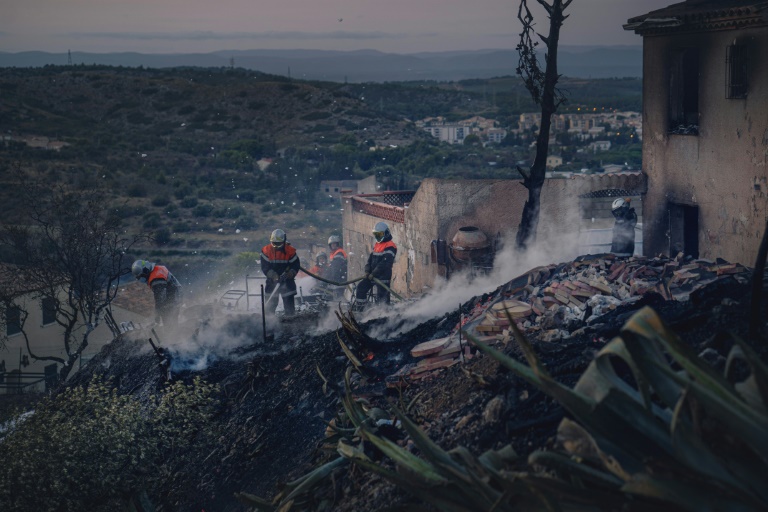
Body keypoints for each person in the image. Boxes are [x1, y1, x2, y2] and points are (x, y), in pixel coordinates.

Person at [354, 222, 397, 310]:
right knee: (361, 288)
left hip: (383, 277)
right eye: (376, 235)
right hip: (371, 276)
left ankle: (383, 315)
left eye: (380, 234)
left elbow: (385, 263)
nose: (378, 237)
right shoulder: (377, 245)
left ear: (386, 233)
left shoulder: (390, 246)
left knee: (382, 298)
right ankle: (361, 309)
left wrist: (373, 273)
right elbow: (369, 260)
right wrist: (367, 270)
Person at [260, 228, 300, 316]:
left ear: (284, 241)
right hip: (272, 282)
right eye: (274, 244)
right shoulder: (266, 251)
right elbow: (265, 267)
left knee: (289, 308)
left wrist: (290, 273)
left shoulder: (290, 251)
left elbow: (296, 265)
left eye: (278, 244)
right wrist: (274, 275)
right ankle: (268, 324)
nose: (276, 246)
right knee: (269, 307)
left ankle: (291, 325)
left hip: (287, 282)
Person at [131, 260, 182, 329]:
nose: (142, 278)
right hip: (176, 295)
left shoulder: (156, 279)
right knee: (172, 319)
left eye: (142, 275)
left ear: (146, 271)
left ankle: (174, 336)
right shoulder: (157, 269)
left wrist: (157, 315)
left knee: (169, 322)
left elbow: (160, 298)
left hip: (171, 299)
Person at [326, 234, 348, 299]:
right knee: (337, 295)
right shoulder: (334, 253)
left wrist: (333, 280)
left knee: (339, 296)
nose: (333, 245)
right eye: (332, 244)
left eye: (335, 244)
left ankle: (342, 307)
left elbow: (336, 268)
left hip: (339, 278)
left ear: (337, 244)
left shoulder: (339, 253)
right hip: (338, 278)